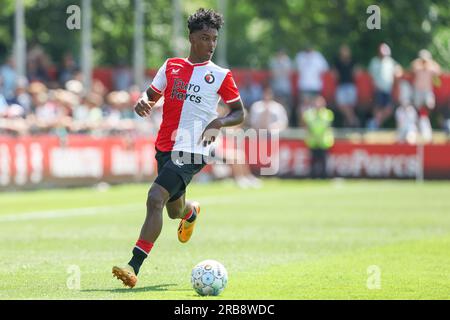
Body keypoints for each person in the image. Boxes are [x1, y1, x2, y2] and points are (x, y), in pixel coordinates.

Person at [112, 8, 245, 288]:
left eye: (214, 39)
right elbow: (149, 96)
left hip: (194, 149)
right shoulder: (171, 66)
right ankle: (190, 211)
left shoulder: (220, 75)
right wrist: (141, 102)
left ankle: (132, 266)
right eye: (205, 38)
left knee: (154, 197)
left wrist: (218, 123)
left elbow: (239, 113)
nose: (211, 44)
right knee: (173, 211)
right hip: (165, 146)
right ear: (192, 37)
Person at [368, 43, 403, 129]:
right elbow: (370, 76)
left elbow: (398, 69)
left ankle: (375, 123)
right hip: (378, 89)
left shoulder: (390, 62)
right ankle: (375, 124)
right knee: (377, 108)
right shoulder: (374, 61)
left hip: (387, 89)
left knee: (388, 109)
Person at [411, 49, 441, 143]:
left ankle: (423, 119)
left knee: (429, 104)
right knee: (418, 108)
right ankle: (420, 123)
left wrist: (430, 63)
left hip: (427, 91)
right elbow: (413, 68)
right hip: (418, 91)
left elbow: (438, 71)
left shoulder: (431, 68)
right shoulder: (417, 67)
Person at [302, 96, 334, 179]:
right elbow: (306, 127)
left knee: (324, 162)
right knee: (313, 161)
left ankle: (324, 177)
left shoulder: (328, 114)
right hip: (313, 142)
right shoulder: (309, 114)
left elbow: (327, 127)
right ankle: (312, 177)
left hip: (324, 142)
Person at [295, 45, 329, 123]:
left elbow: (325, 69)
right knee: (304, 107)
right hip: (304, 86)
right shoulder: (300, 56)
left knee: (315, 107)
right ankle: (303, 125)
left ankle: (313, 125)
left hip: (315, 86)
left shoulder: (318, 56)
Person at [333, 44, 359, 127]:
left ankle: (348, 125)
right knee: (341, 105)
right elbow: (334, 74)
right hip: (341, 86)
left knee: (350, 107)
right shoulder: (337, 62)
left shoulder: (353, 61)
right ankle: (353, 120)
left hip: (350, 86)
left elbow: (357, 73)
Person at [269, 49, 293, 119]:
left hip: (285, 88)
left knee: (286, 106)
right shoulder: (273, 62)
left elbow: (288, 73)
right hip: (276, 88)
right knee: (275, 105)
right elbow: (274, 75)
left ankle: (286, 121)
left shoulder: (287, 61)